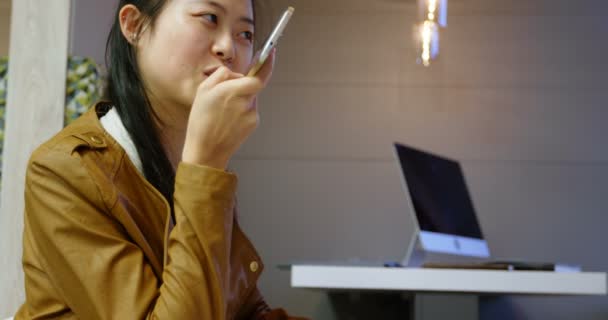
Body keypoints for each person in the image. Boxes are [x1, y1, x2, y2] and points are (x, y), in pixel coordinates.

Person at [14, 0, 305, 319]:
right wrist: (205, 169)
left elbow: (242, 310)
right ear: (134, 26)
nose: (228, 48)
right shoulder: (65, 169)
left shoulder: (193, 164)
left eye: (245, 34)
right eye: (209, 18)